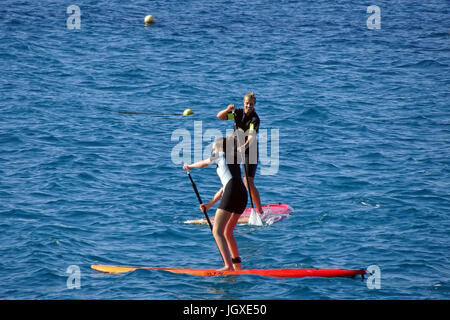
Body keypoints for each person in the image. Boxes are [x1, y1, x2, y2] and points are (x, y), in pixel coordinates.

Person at [183, 137, 248, 271]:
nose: (212, 151)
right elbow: (226, 187)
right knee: (228, 232)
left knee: (217, 231)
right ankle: (237, 266)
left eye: (213, 148)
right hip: (242, 193)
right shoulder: (234, 161)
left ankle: (227, 266)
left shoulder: (221, 155)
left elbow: (203, 163)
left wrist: (189, 166)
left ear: (220, 148)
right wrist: (209, 205)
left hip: (233, 191)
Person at [216, 92, 263, 215]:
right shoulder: (237, 113)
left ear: (254, 105)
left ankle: (260, 211)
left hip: (250, 151)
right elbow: (220, 117)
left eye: (251, 104)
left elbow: (252, 136)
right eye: (247, 104)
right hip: (236, 148)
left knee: (248, 182)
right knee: (232, 179)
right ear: (244, 103)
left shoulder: (254, 119)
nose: (249, 106)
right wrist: (227, 110)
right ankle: (231, 207)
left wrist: (244, 146)